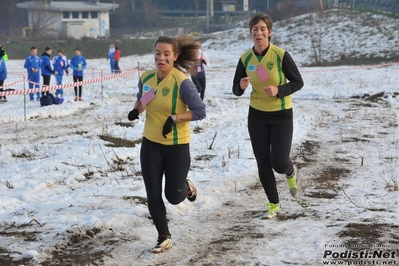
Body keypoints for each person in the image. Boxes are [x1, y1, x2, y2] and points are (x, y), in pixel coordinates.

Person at [127, 36, 206, 253]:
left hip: (177, 146)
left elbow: (200, 111)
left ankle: (186, 186)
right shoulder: (146, 78)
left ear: (175, 57)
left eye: (166, 54)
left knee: (172, 196)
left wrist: (174, 119)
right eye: (158, 54)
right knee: (152, 192)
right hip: (151, 144)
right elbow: (144, 98)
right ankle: (164, 236)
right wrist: (137, 110)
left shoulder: (182, 82)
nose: (161, 58)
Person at [232, 13, 304, 219]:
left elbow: (298, 82)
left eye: (263, 29)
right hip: (257, 116)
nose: (259, 33)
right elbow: (235, 90)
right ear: (250, 33)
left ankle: (290, 171)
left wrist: (279, 90)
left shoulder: (281, 55)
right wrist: (241, 86)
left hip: (281, 115)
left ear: (269, 32)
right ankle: (274, 204)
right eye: (255, 30)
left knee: (278, 162)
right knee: (262, 162)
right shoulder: (246, 59)